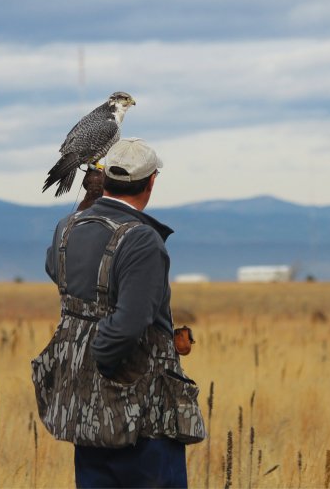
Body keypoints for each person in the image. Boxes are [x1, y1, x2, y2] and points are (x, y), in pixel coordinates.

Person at [32, 138, 206, 488]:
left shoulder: (67, 227)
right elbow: (127, 326)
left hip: (83, 409)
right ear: (152, 181)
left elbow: (56, 269)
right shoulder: (141, 240)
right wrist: (108, 376)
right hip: (141, 416)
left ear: (103, 179)